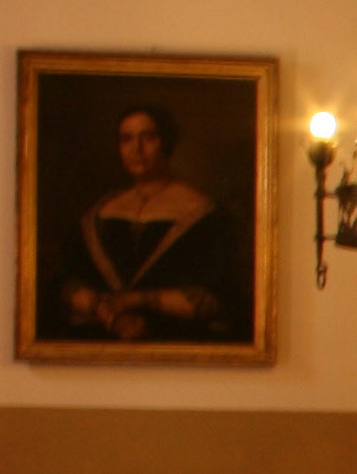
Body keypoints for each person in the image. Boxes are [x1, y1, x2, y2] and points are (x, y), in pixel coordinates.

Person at [64, 104, 237, 341]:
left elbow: (220, 297)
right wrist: (111, 316)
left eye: (148, 138)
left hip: (177, 340)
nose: (137, 149)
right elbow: (67, 283)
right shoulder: (99, 213)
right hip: (100, 340)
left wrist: (139, 299)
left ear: (166, 142)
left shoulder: (205, 214)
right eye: (126, 139)